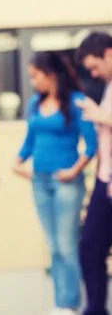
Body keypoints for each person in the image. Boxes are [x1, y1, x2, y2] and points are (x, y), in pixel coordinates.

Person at [14, 51, 97, 315]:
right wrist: (17, 162)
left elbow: (91, 145)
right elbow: (30, 141)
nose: (33, 82)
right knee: (53, 245)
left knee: (66, 245)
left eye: (35, 76)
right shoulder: (35, 105)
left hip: (66, 185)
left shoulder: (77, 102)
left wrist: (74, 171)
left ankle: (69, 304)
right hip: (40, 182)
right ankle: (61, 303)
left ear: (51, 74)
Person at [74, 32, 112, 315]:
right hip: (104, 181)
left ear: (108, 53)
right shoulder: (108, 87)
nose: (94, 74)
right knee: (90, 247)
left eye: (94, 66)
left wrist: (97, 114)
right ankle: (96, 309)